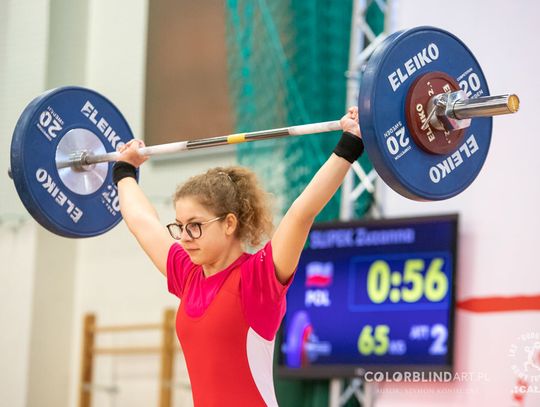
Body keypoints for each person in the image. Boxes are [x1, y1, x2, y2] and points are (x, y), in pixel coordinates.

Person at [114, 107, 362, 406]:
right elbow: (142, 222)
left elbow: (301, 213)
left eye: (194, 226)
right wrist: (125, 170)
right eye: (179, 226)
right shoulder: (188, 274)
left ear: (229, 223)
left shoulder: (257, 281)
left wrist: (350, 142)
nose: (183, 237)